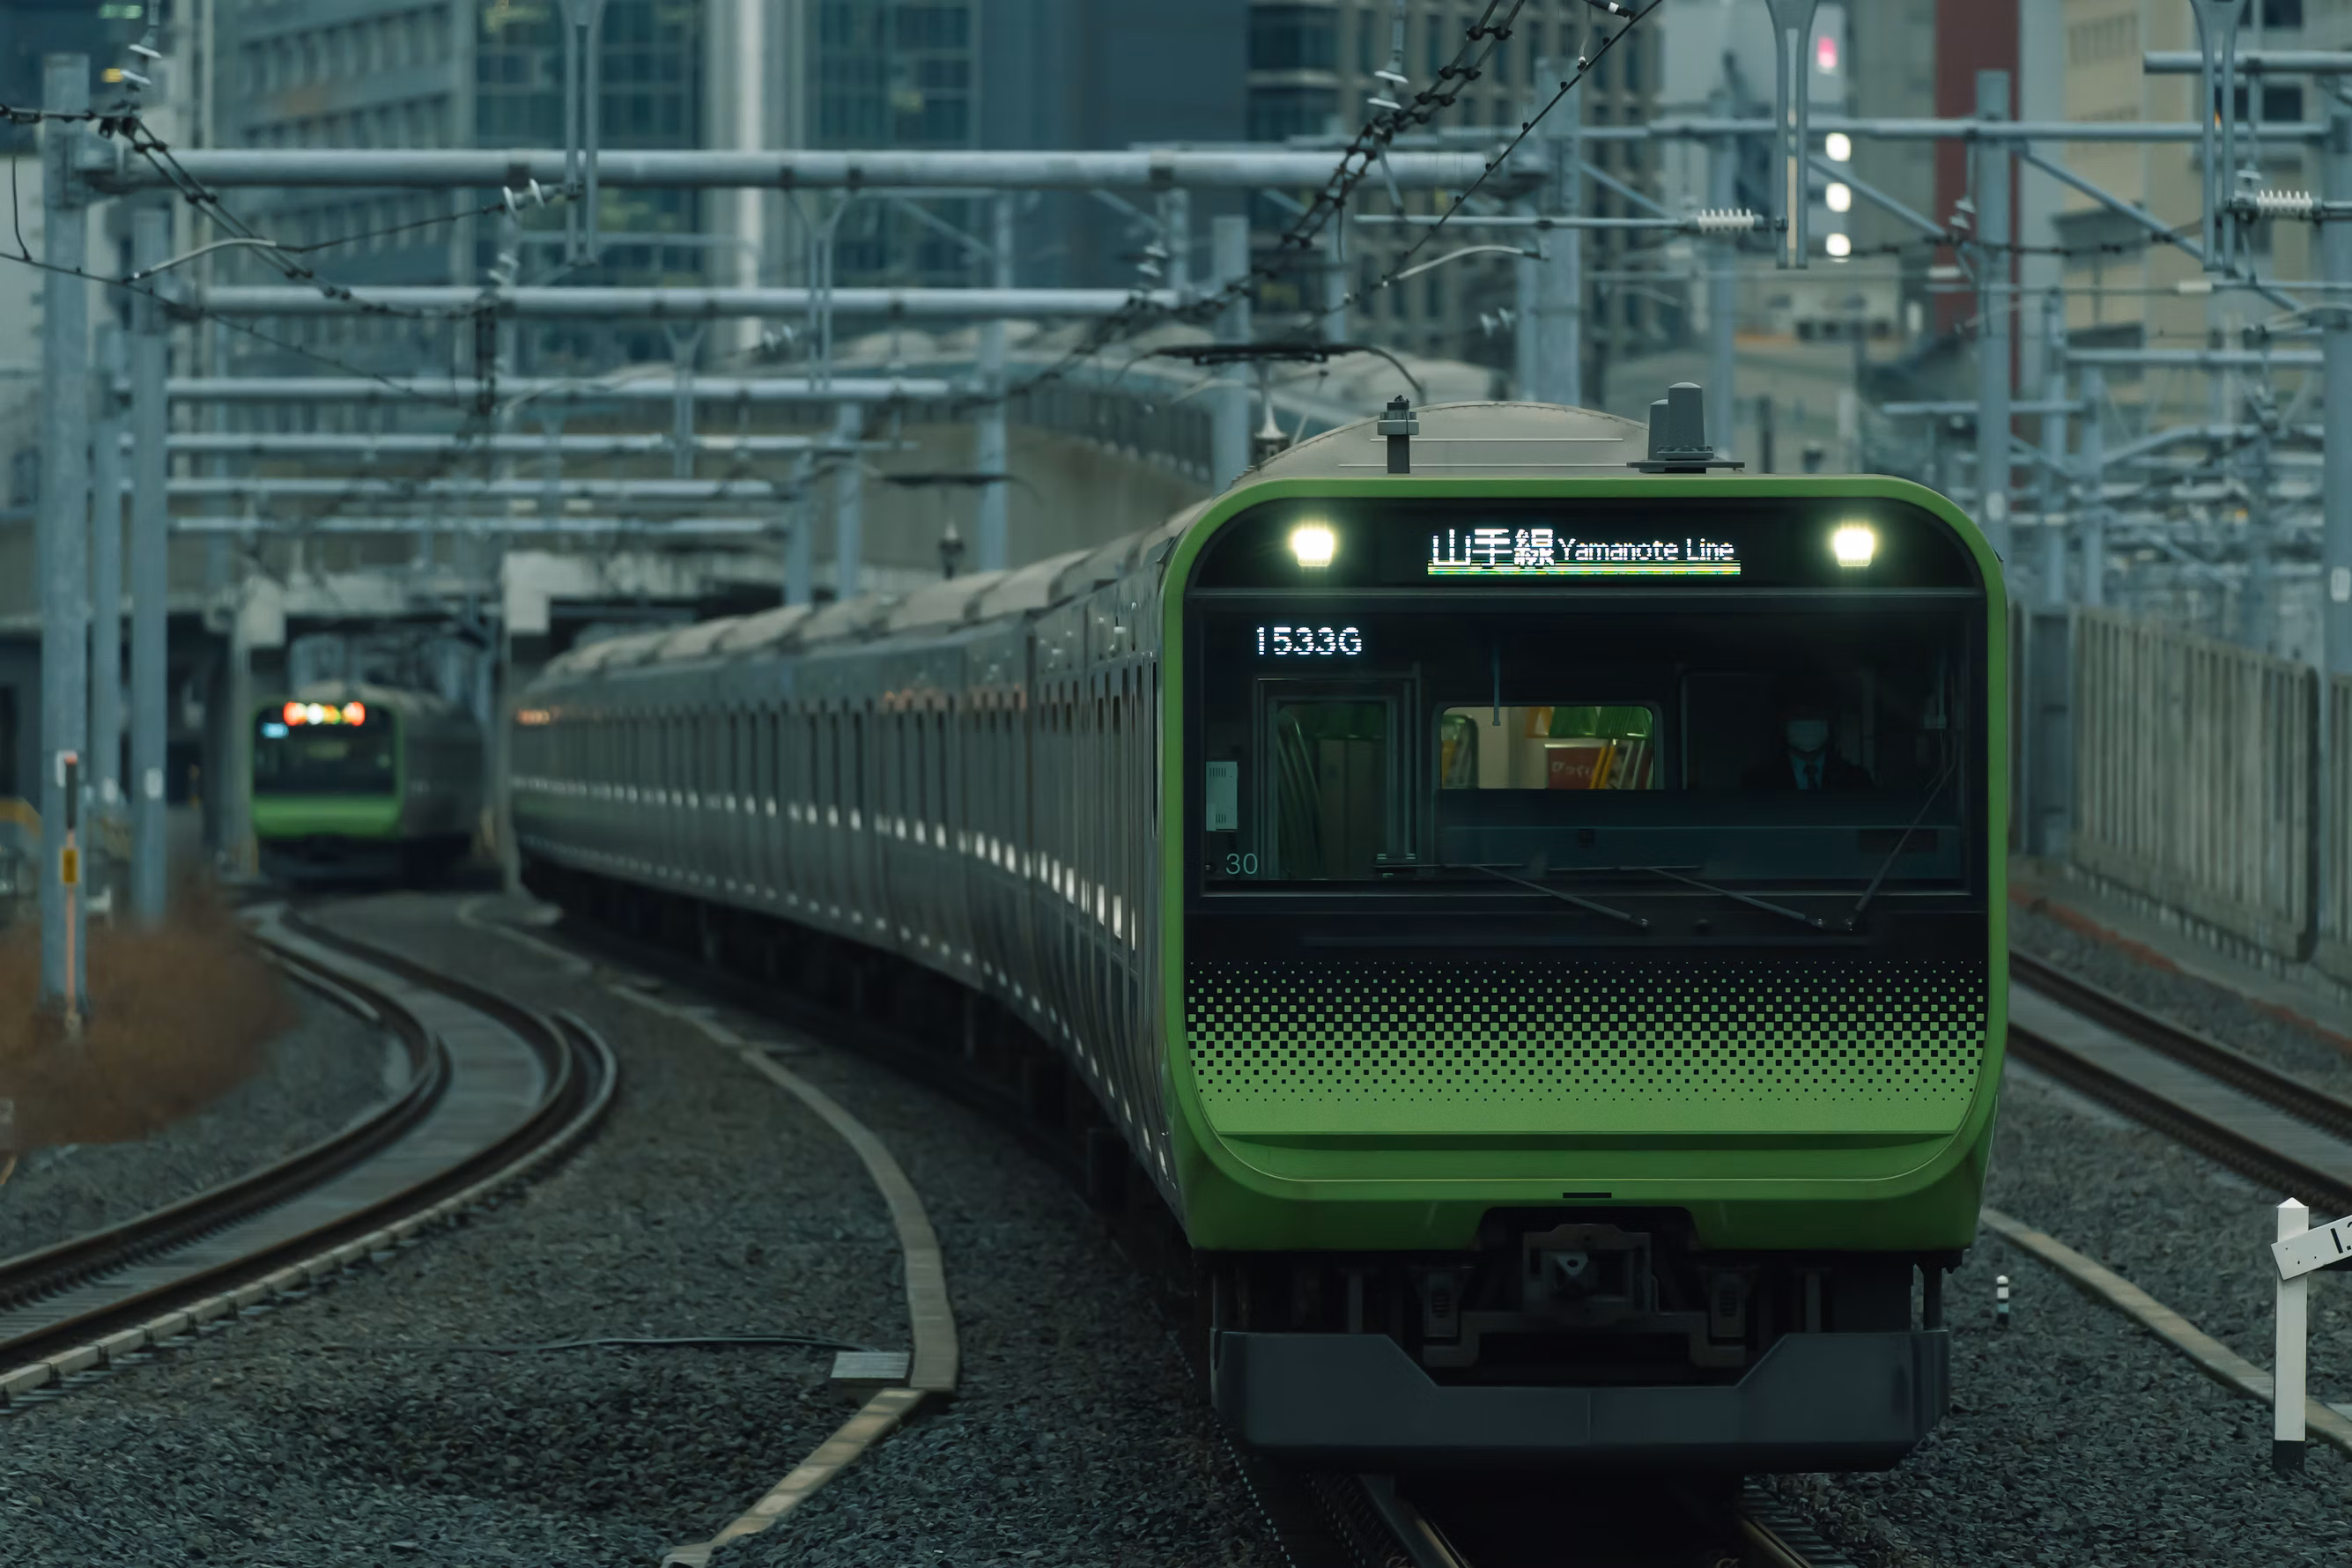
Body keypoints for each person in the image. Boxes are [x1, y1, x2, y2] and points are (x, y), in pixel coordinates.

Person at [1742, 689, 1873, 791]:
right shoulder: (1757, 782)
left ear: (1830, 723)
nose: (1807, 722)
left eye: (1815, 714)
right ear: (1782, 723)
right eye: (1799, 715)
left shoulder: (1857, 779)